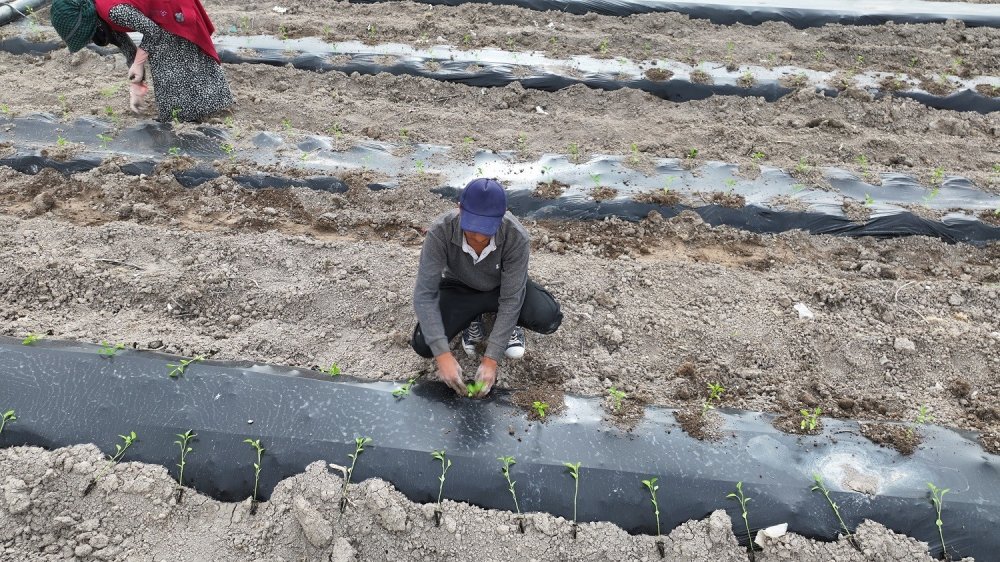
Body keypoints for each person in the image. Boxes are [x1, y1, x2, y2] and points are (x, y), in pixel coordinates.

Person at [411, 178, 563, 397]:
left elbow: (511, 298)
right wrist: (443, 355)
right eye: (472, 230)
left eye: (487, 230)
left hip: (501, 287)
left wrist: (491, 359)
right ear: (460, 209)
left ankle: (509, 325)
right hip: (460, 287)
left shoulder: (515, 235)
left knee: (547, 317)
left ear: (503, 215)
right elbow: (425, 294)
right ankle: (472, 317)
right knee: (425, 345)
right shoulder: (441, 231)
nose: (479, 238)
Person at [50, 0, 234, 122]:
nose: (92, 40)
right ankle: (202, 107)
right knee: (166, 54)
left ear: (89, 23)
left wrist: (139, 63)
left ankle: (183, 116)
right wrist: (136, 87)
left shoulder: (113, 11)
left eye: (89, 36)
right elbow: (129, 50)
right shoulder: (102, 16)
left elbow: (154, 32)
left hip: (171, 9)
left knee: (165, 58)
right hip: (162, 16)